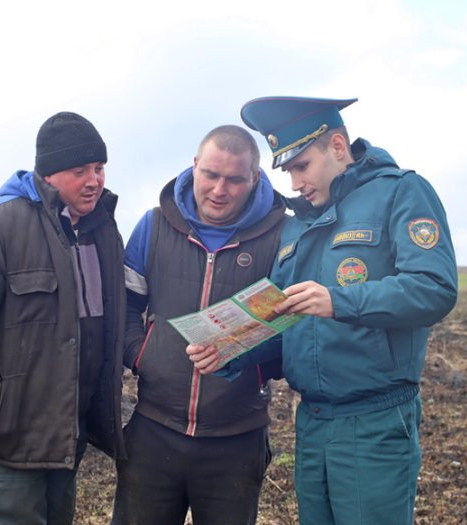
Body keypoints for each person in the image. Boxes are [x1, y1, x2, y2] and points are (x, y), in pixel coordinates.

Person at [188, 96, 458, 525]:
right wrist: (227, 350)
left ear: (336, 146)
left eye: (301, 166)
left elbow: (435, 288)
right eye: (288, 171)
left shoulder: (401, 192)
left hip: (374, 422)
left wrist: (340, 301)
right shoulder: (297, 224)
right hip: (311, 423)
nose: (295, 184)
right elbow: (282, 315)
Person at [0, 111, 127, 525]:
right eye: (80, 170)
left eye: (99, 168)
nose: (94, 180)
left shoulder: (101, 233)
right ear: (49, 174)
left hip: (64, 440)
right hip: (6, 443)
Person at [112, 125, 288, 525]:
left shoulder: (282, 237)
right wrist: (142, 357)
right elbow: (122, 306)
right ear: (193, 166)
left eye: (235, 179)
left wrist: (255, 363)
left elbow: (290, 325)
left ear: (255, 178)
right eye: (210, 174)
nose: (219, 190)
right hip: (155, 429)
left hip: (237, 439)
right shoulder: (153, 226)